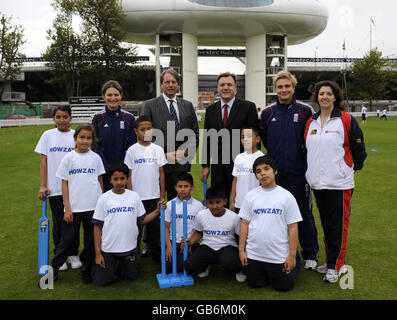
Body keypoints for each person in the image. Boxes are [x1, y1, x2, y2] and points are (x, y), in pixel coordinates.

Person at [305, 80, 367, 283]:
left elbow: (359, 151)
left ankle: (337, 265)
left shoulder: (346, 119)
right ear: (316, 97)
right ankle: (330, 261)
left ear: (335, 97)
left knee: (339, 226)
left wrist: (348, 170)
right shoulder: (311, 122)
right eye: (321, 93)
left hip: (339, 183)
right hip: (318, 184)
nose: (324, 97)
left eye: (328, 94)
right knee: (326, 224)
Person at [259, 71, 319, 270]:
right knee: (276, 214)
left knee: (302, 213)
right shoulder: (267, 113)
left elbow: (311, 141)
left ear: (293, 88)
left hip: (299, 174)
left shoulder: (305, 111)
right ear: (275, 89)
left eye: (287, 86)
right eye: (280, 87)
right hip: (275, 177)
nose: (284, 90)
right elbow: (266, 141)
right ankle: (282, 251)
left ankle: (310, 253)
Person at [91, 163, 165, 287]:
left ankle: (120, 266)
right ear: (110, 180)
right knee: (102, 281)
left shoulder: (134, 196)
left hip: (129, 249)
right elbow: (97, 227)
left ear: (127, 179)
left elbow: (143, 220)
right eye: (115, 179)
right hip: (109, 249)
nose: (119, 182)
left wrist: (157, 211)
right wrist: (98, 254)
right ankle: (102, 266)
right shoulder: (104, 198)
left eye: (122, 178)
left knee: (132, 276)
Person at [238, 155, 302, 292]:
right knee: (255, 284)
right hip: (255, 255)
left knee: (284, 287)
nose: (263, 173)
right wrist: (241, 251)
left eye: (266, 169)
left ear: (275, 171)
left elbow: (293, 227)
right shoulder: (250, 196)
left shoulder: (287, 197)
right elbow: (244, 224)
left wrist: (290, 256)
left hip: (278, 256)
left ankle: (296, 257)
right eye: (258, 171)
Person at [51, 125, 105, 283]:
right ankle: (53, 270)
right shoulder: (68, 158)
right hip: (74, 209)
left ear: (92, 140)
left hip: (93, 208)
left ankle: (88, 270)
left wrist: (101, 205)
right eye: (82, 137)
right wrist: (67, 208)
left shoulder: (95, 158)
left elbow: (100, 182)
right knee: (66, 241)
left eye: (89, 138)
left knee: (90, 241)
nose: (85, 141)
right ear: (75, 138)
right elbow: (64, 184)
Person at [35, 106, 82, 271]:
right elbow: (44, 161)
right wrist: (43, 185)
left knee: (73, 222)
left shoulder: (76, 135)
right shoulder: (47, 135)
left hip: (74, 188)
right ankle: (60, 257)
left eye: (65, 117)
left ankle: (73, 254)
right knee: (59, 223)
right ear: (54, 119)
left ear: (70, 118)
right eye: (58, 117)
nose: (61, 120)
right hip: (54, 188)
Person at [141, 69, 199, 201]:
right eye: (167, 82)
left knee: (178, 206)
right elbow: (145, 136)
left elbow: (195, 132)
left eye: (174, 82)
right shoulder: (149, 105)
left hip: (181, 166)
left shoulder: (188, 105)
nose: (171, 85)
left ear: (178, 85)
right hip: (158, 166)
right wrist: (163, 155)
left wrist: (186, 153)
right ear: (161, 85)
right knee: (156, 203)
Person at [201, 72, 259, 202]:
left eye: (229, 85)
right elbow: (207, 139)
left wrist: (253, 164)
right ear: (217, 88)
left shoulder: (248, 107)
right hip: (218, 167)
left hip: (241, 166)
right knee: (220, 205)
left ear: (235, 88)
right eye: (222, 85)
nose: (225, 87)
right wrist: (205, 166)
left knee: (241, 202)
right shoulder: (210, 110)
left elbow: (254, 140)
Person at [124, 115, 167, 262]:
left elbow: (161, 174)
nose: (146, 132)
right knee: (136, 229)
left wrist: (162, 195)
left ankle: (157, 256)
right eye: (143, 129)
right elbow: (128, 175)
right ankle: (133, 257)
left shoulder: (158, 149)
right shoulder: (132, 151)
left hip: (154, 196)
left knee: (155, 229)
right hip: (137, 197)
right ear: (136, 131)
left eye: (149, 128)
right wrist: (130, 195)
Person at [182, 187, 245, 282]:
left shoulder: (234, 217)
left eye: (218, 202)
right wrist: (189, 241)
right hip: (207, 246)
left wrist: (242, 252)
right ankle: (205, 266)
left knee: (231, 263)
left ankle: (239, 270)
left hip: (227, 246)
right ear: (206, 203)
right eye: (211, 203)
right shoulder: (201, 215)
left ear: (225, 201)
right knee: (190, 267)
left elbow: (241, 235)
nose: (214, 206)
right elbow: (199, 232)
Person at [90, 80, 137, 191]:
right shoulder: (97, 118)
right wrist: (106, 167)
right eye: (109, 95)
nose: (113, 98)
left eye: (116, 95)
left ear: (121, 96)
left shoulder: (129, 118)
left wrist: (122, 167)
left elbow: (132, 145)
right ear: (103, 96)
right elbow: (95, 147)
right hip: (103, 171)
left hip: (123, 172)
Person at [164, 172, 205, 273]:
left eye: (186, 186)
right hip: (173, 242)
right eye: (180, 186)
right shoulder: (169, 205)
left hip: (191, 242)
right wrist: (168, 246)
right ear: (175, 187)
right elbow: (165, 227)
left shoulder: (199, 206)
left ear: (192, 187)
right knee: (169, 268)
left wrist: (190, 242)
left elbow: (201, 230)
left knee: (183, 266)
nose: (182, 189)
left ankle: (194, 256)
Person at [229, 127, 264, 213]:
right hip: (239, 204)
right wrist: (232, 201)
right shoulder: (239, 157)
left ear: (257, 139)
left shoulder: (261, 158)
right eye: (243, 137)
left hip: (255, 204)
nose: (245, 139)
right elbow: (235, 181)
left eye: (249, 136)